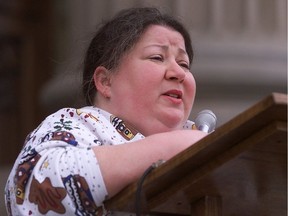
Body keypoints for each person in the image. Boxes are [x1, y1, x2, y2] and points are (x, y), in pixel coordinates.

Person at [5, 7, 207, 216]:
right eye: (157, 57)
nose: (178, 73)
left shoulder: (200, 139)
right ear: (105, 81)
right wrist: (169, 147)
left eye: (184, 64)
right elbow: (31, 186)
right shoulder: (74, 124)